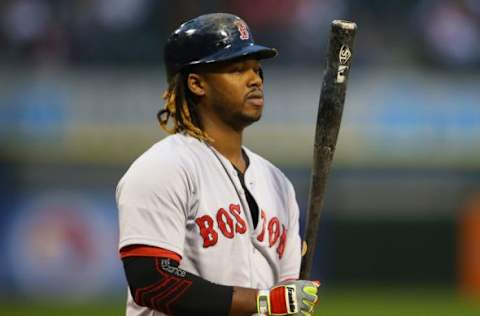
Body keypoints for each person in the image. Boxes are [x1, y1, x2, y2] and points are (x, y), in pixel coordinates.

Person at [116, 13, 320, 316]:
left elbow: (286, 298)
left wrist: (290, 301)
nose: (255, 79)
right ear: (197, 83)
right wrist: (266, 302)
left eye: (256, 69)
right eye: (237, 69)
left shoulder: (278, 184)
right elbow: (152, 281)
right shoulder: (163, 168)